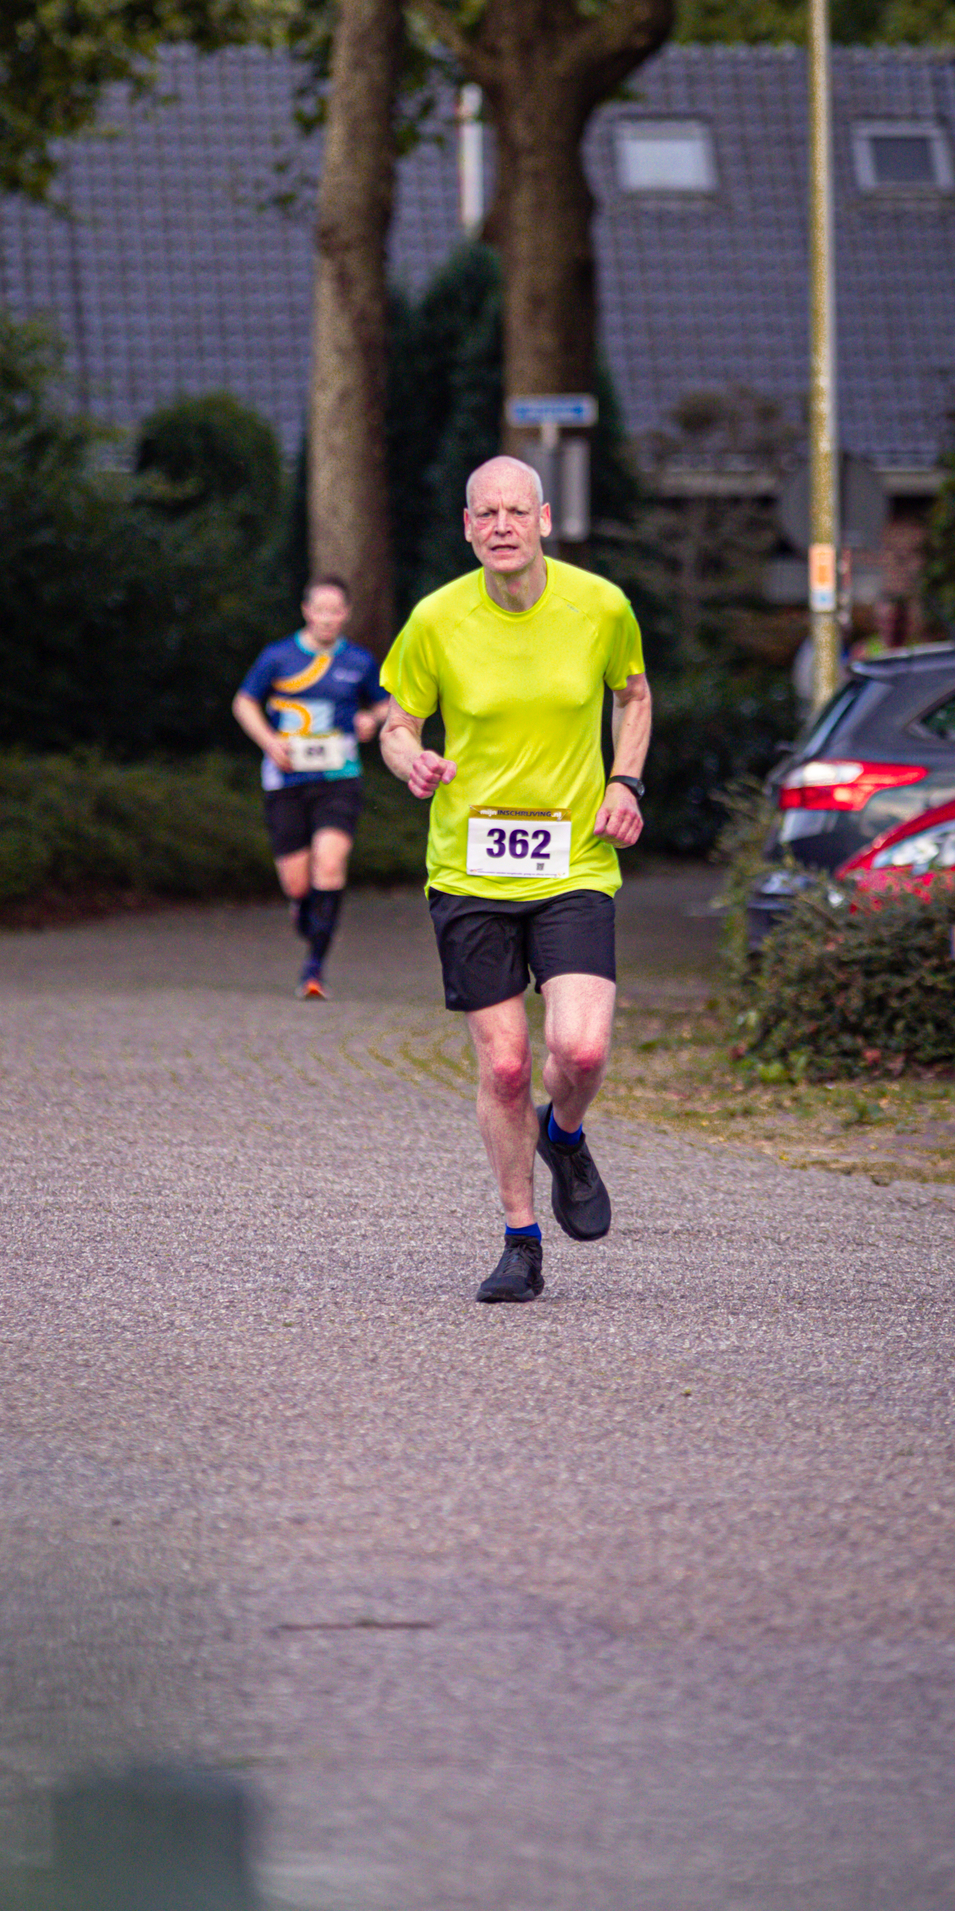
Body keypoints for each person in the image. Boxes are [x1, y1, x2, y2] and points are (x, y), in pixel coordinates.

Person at [378, 457, 650, 1303]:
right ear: (467, 527)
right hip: (468, 866)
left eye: (515, 511)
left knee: (582, 1048)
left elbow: (633, 696)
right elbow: (397, 720)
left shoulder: (600, 606)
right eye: (485, 513)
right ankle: (521, 1242)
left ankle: (563, 1133)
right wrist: (409, 761)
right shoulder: (435, 619)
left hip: (573, 858)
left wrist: (625, 782)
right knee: (503, 1067)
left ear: (542, 520)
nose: (501, 526)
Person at [232, 577, 388, 997]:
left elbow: (383, 704)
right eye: (320, 609)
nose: (328, 618)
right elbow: (244, 702)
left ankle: (314, 969)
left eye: (336, 610)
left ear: (346, 614)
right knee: (298, 884)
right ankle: (305, 911)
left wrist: (371, 721)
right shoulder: (278, 656)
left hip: (339, 778)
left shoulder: (359, 661)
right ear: (306, 611)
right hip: (285, 779)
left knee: (331, 862)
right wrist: (269, 742)